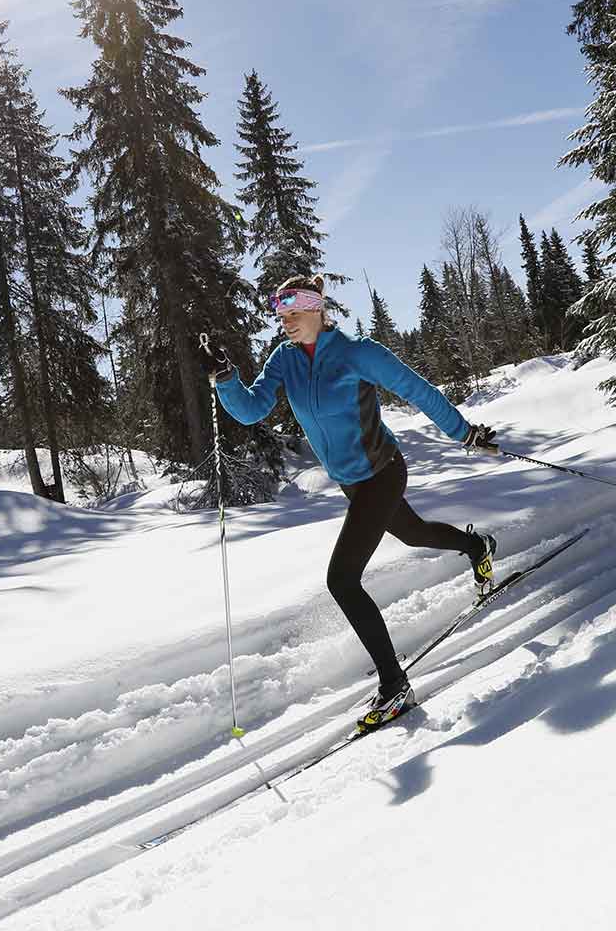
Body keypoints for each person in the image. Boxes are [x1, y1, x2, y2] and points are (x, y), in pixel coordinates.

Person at [205, 273, 501, 732]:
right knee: (414, 532)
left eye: (295, 314)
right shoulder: (284, 359)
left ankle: (394, 684)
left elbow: (417, 389)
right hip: (350, 482)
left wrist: (465, 432)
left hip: (383, 471)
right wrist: (226, 377)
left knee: (342, 580)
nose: (287, 324)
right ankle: (477, 547)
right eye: (281, 317)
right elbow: (250, 409)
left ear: (319, 310)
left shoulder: (357, 352)